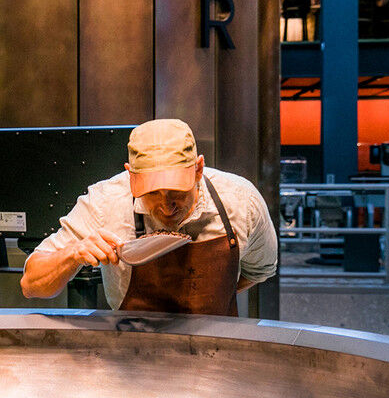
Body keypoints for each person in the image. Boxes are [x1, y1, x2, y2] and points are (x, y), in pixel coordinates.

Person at [19, 119, 278, 315]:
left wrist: (211, 301)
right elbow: (31, 284)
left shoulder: (242, 203)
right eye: (152, 193)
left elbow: (260, 269)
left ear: (198, 169)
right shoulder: (105, 203)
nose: (166, 206)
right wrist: (72, 254)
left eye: (176, 191)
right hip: (134, 356)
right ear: (131, 176)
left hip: (214, 353)